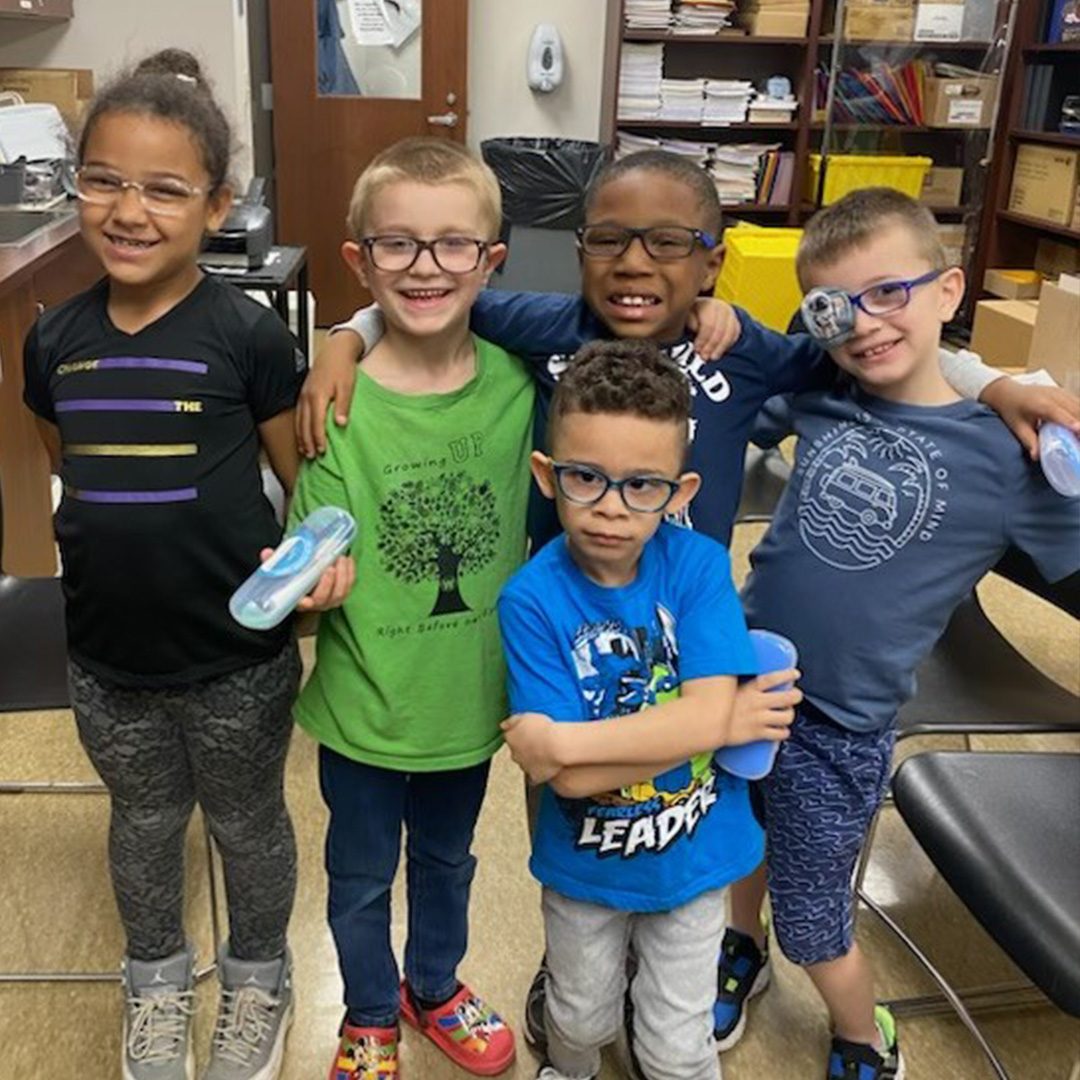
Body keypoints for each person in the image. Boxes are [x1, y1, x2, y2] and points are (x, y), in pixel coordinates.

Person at [297, 148, 1080, 1052]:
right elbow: (431, 298)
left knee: (681, 824)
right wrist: (342, 337)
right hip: (562, 646)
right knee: (573, 826)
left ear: (713, 261)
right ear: (576, 249)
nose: (636, 263)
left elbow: (878, 357)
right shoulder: (548, 325)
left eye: (671, 243)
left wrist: (997, 381)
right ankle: (576, 969)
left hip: (687, 651)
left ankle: (683, 966)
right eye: (611, 240)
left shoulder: (745, 349)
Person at [21, 50, 352, 1080]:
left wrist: (312, 579)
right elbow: (65, 469)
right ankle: (155, 980)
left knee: (250, 821)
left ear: (216, 208)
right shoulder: (52, 343)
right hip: (106, 661)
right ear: (78, 189)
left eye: (166, 189)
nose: (130, 208)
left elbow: (303, 486)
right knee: (145, 818)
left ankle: (260, 975)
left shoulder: (247, 338)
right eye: (106, 180)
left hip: (233, 657)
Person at [718, 188, 1080, 1080]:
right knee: (741, 838)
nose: (866, 324)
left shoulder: (1014, 455)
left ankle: (859, 1033)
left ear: (950, 290)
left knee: (814, 920)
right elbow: (746, 386)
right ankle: (740, 945)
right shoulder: (826, 389)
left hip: (840, 726)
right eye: (836, 307)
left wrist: (1007, 389)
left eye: (891, 292)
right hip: (743, 681)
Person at [288, 137, 528, 1080]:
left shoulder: (520, 386)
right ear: (360, 260)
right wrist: (307, 589)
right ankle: (368, 1012)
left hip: (469, 707)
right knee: (355, 878)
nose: (425, 267)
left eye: (452, 245)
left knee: (449, 861)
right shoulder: (336, 406)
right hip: (361, 707)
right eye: (396, 245)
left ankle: (435, 986)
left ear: (491, 262)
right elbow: (311, 553)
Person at [496, 339, 793, 1080]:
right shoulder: (530, 600)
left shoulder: (693, 566)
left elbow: (571, 758)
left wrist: (564, 742)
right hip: (585, 870)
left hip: (695, 865)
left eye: (642, 486)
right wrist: (718, 718)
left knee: (674, 1045)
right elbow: (567, 785)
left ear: (681, 491)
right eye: (585, 478)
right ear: (546, 474)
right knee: (578, 1016)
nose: (610, 509)